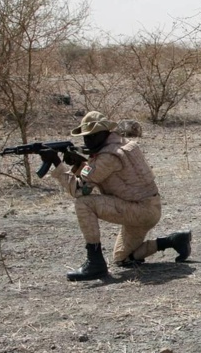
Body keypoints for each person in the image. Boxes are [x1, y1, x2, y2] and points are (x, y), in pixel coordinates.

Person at [40, 111, 191, 281]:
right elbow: (99, 174)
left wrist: (57, 164)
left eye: (92, 136)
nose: (87, 141)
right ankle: (172, 241)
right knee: (122, 258)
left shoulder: (108, 157)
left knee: (84, 203)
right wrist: (78, 164)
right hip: (148, 209)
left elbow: (79, 190)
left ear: (105, 133)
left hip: (138, 211)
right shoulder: (124, 145)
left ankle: (95, 264)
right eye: (86, 137)